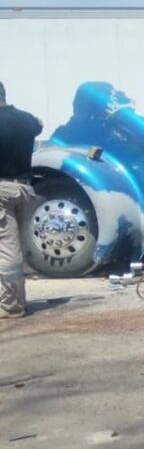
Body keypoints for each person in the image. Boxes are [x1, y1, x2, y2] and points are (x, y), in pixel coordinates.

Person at [0, 80, 43, 318]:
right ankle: (17, 300)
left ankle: (11, 306)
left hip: (1, 191)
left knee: (7, 250)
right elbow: (39, 124)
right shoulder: (27, 120)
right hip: (24, 189)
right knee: (15, 248)